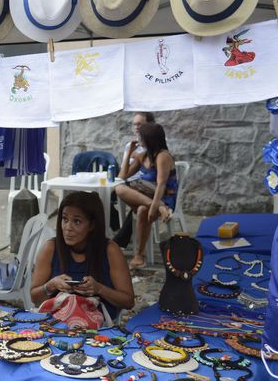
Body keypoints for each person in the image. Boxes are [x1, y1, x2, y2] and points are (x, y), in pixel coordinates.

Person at [30, 191, 135, 321]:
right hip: (56, 324)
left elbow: (128, 301)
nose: (68, 227)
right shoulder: (51, 248)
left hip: (97, 330)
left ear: (92, 225)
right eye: (65, 219)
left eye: (77, 221)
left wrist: (99, 289)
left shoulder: (110, 250)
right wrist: (50, 285)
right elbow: (34, 298)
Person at [116, 122, 178, 269]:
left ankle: (139, 255)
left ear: (149, 139)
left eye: (141, 136)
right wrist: (128, 154)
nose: (138, 138)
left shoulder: (163, 156)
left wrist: (155, 205)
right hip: (150, 198)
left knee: (143, 210)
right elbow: (122, 176)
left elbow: (162, 184)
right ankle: (160, 209)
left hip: (163, 197)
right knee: (119, 188)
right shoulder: (143, 155)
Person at [112, 112, 154, 247]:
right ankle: (118, 227)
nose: (136, 127)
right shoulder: (131, 145)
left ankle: (120, 238)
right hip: (129, 182)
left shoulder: (154, 146)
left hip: (147, 185)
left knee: (139, 204)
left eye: (140, 124)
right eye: (134, 124)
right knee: (100, 195)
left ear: (149, 126)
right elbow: (122, 175)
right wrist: (129, 152)